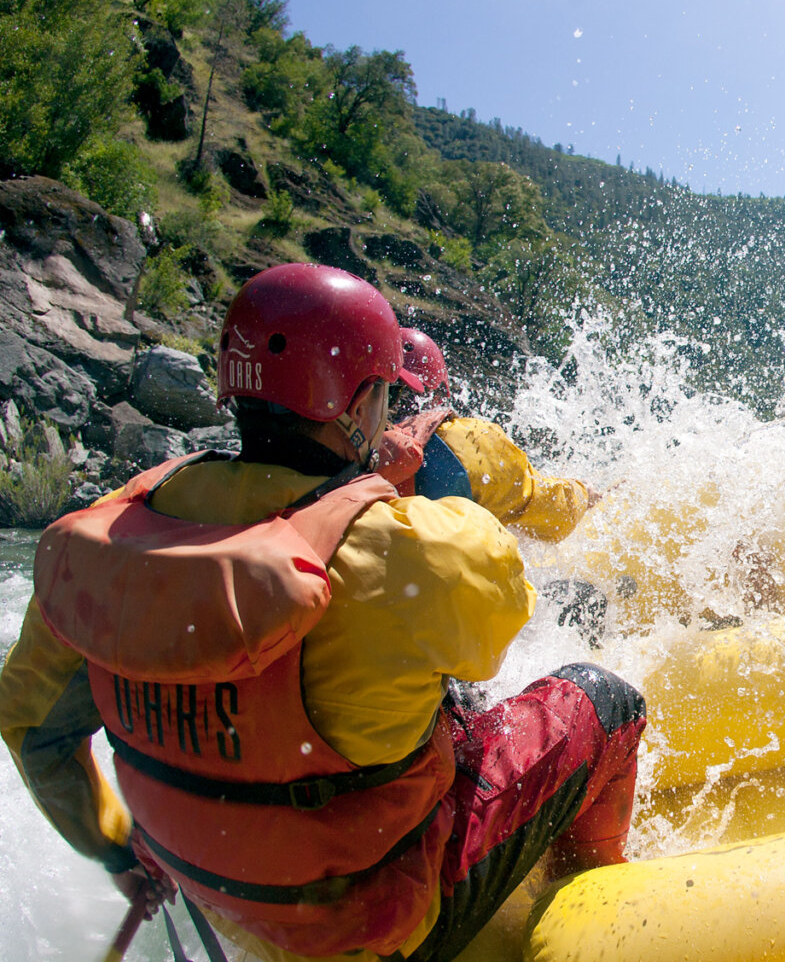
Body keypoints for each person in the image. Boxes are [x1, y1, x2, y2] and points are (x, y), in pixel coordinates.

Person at [0, 263, 646, 962]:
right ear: (364, 401)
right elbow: (498, 602)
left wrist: (116, 850)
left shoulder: (107, 532)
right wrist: (392, 484)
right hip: (377, 927)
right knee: (604, 698)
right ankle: (595, 912)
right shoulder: (404, 543)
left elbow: (31, 728)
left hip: (224, 903)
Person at [377, 325, 597, 544]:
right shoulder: (467, 440)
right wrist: (583, 494)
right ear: (438, 397)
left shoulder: (356, 448)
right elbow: (547, 510)